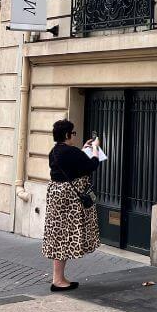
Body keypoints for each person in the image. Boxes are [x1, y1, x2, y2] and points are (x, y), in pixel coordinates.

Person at [42, 119, 101, 292]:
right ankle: (58, 280)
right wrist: (96, 148)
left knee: (59, 236)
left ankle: (58, 278)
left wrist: (83, 149)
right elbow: (91, 165)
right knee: (64, 237)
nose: (74, 135)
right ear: (67, 134)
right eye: (73, 133)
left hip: (56, 198)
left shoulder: (54, 152)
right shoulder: (71, 152)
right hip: (69, 201)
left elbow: (71, 164)